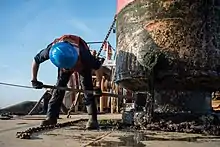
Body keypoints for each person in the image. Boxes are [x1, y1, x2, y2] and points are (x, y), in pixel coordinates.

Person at [31, 34, 105, 129]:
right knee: (59, 88)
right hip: (65, 62)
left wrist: (98, 85)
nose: (70, 69)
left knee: (87, 89)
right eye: (67, 68)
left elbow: (98, 67)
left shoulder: (84, 55)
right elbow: (36, 60)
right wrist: (34, 79)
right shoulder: (52, 51)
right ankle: (51, 117)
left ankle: (92, 119)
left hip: (82, 65)